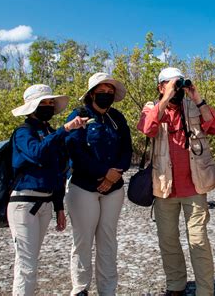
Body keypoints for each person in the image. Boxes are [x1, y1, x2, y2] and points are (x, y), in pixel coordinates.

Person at [137, 67, 215, 296]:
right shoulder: (152, 108)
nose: (177, 89)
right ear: (160, 86)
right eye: (171, 84)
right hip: (164, 187)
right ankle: (176, 286)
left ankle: (205, 291)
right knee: (168, 241)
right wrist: (165, 98)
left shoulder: (194, 106)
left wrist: (196, 96)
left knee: (199, 241)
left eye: (178, 85)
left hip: (195, 186)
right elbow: (147, 128)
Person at [9, 84, 86, 295]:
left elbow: (58, 171)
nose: (50, 106)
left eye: (51, 102)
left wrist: (58, 207)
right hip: (24, 204)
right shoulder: (24, 133)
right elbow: (37, 153)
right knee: (26, 263)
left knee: (32, 259)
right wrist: (65, 129)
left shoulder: (49, 132)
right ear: (32, 106)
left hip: (45, 202)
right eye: (44, 103)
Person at [65, 72, 132, 296]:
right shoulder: (79, 116)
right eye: (101, 91)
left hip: (114, 189)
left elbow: (126, 150)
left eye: (110, 92)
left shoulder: (117, 118)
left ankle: (108, 290)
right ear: (92, 93)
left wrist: (114, 175)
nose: (106, 95)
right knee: (83, 239)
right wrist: (103, 173)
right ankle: (80, 288)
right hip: (83, 187)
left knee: (108, 239)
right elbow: (75, 150)